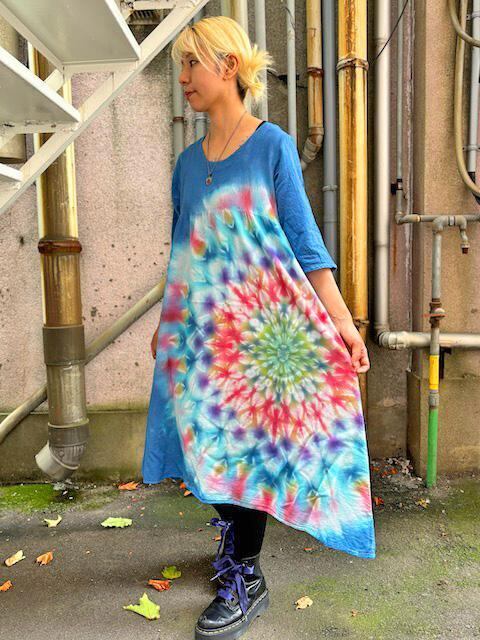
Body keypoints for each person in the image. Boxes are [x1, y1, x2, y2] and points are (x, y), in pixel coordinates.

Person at [142, 15, 375, 640]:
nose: (183, 77)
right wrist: (166, 322)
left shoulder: (272, 147)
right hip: (200, 341)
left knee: (248, 451)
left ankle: (247, 572)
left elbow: (304, 242)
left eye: (192, 63)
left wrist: (343, 325)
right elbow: (182, 254)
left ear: (228, 67)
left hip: (259, 343)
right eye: (181, 65)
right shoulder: (186, 165)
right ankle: (233, 542)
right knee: (208, 446)